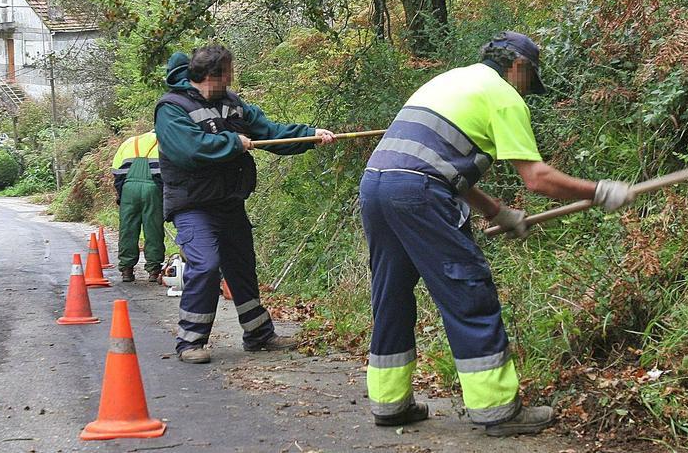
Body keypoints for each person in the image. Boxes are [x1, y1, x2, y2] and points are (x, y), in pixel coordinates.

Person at [359, 31, 633, 436]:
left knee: (391, 292)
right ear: (519, 67)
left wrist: (498, 212)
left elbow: (439, 162)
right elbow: (537, 179)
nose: (527, 89)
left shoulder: (452, 80)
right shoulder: (504, 95)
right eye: (529, 78)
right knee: (467, 288)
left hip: (376, 186)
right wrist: (599, 191)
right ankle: (497, 411)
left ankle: (389, 404)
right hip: (419, 192)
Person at [155, 45, 336, 364]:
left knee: (242, 268)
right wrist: (232, 143)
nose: (232, 76)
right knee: (206, 265)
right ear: (213, 75)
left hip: (229, 203)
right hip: (193, 205)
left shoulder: (233, 104)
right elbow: (189, 150)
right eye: (228, 71)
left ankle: (259, 334)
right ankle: (191, 342)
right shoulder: (171, 108)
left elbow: (270, 132)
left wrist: (310, 135)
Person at [111, 131, 165, 283]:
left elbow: (116, 172)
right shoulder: (164, 141)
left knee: (127, 229)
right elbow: (170, 172)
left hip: (129, 188)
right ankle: (154, 270)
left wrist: (122, 194)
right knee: (153, 229)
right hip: (153, 188)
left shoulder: (129, 142)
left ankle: (127, 270)